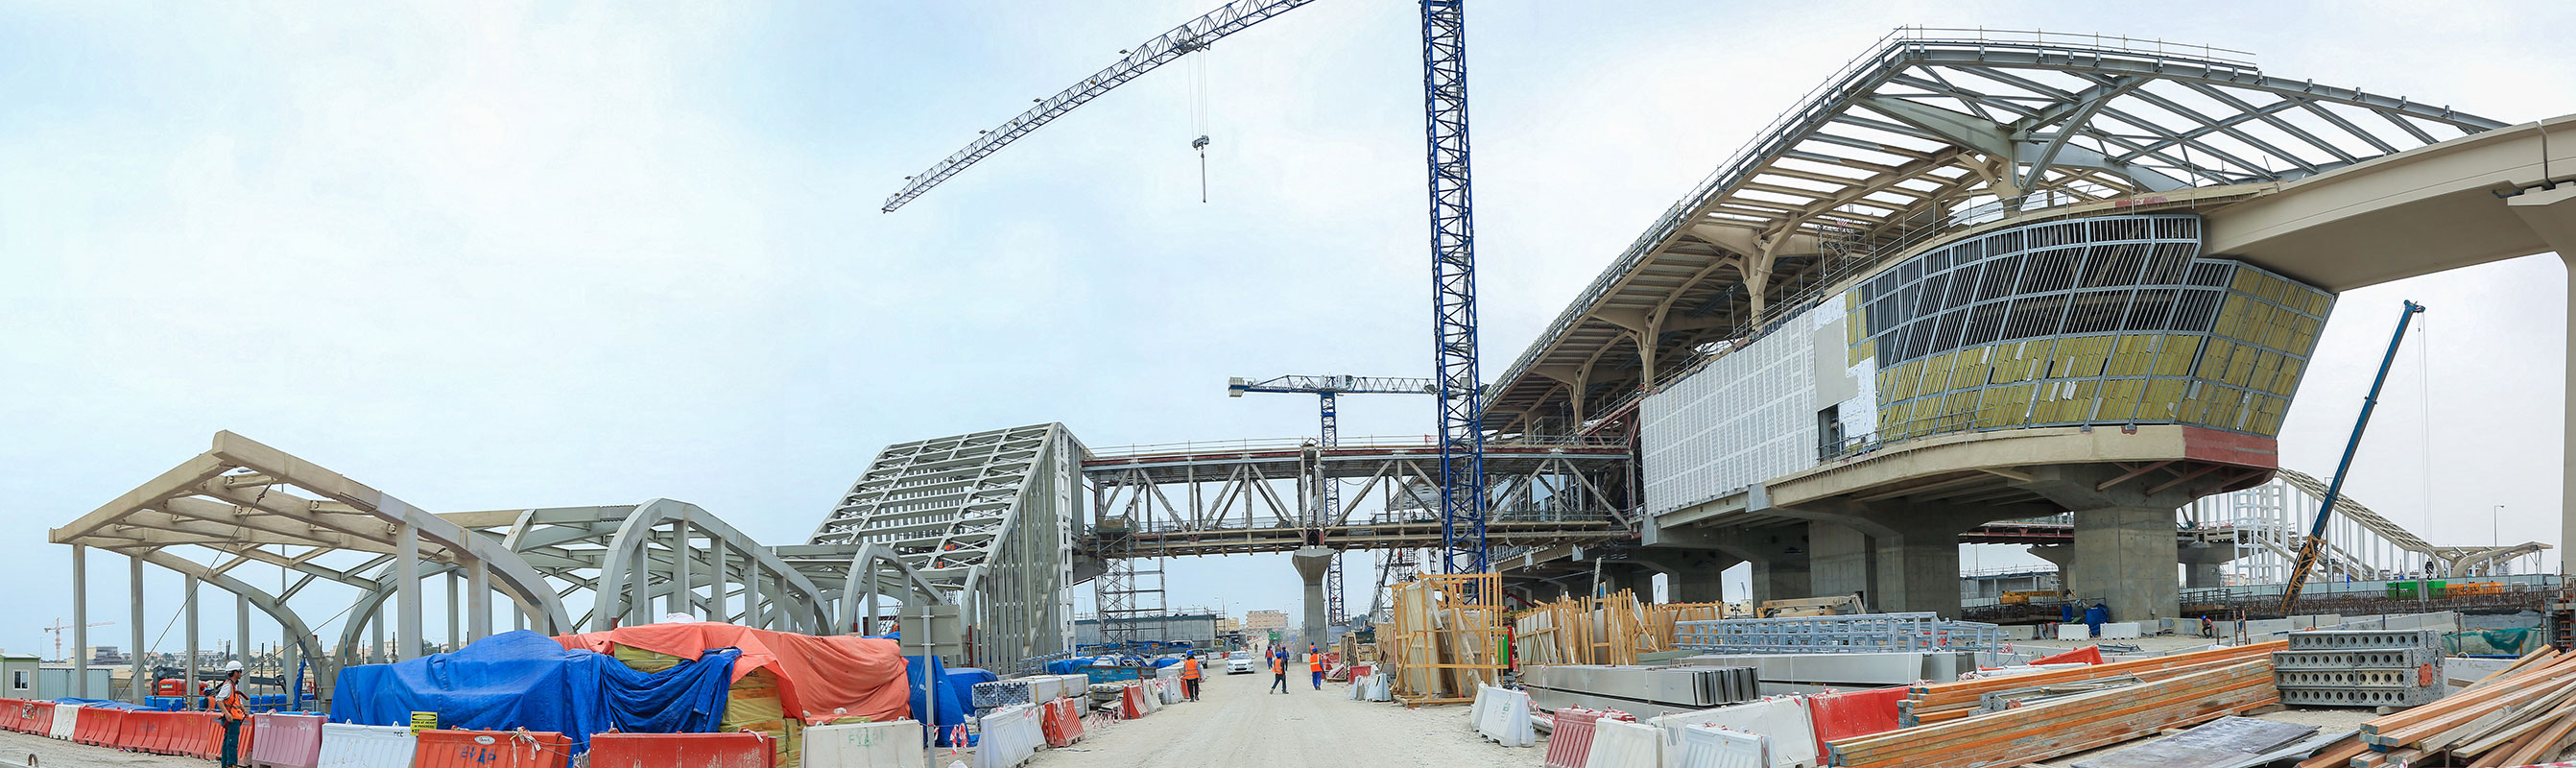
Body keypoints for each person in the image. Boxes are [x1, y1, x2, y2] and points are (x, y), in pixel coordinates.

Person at [208, 660, 248, 768]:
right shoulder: (228, 686)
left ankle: (226, 765)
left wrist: (243, 709)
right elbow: (219, 699)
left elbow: (235, 700)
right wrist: (226, 713)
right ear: (235, 672)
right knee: (232, 743)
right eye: (239, 671)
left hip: (233, 717)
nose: (240, 673)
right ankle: (231, 764)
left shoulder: (233, 686)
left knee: (227, 742)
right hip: (232, 718)